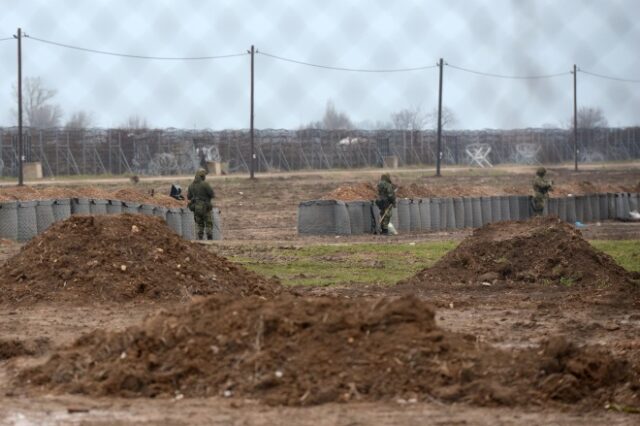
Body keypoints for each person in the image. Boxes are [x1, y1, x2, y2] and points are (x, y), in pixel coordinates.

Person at [187, 168, 215, 240]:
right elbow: (212, 195)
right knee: (208, 223)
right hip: (205, 207)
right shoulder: (205, 184)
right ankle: (209, 239)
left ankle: (200, 239)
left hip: (196, 207)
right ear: (202, 176)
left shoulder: (191, 185)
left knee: (199, 224)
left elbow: (189, 197)